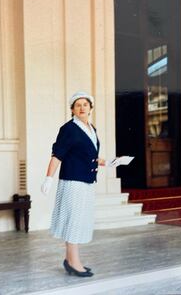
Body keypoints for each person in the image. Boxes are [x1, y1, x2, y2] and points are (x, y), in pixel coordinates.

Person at [41, 91, 128, 277]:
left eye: (85, 104)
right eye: (77, 105)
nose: (82, 108)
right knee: (74, 221)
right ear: (72, 109)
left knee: (78, 220)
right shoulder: (69, 129)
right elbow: (57, 154)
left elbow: (90, 157)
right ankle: (75, 263)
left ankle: (69, 260)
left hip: (86, 181)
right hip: (73, 182)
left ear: (90, 108)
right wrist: (48, 178)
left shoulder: (91, 128)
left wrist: (112, 162)